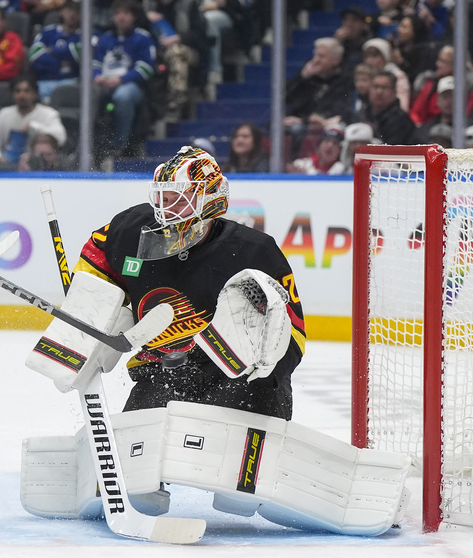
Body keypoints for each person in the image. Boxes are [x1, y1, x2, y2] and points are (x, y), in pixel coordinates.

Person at [73, 146, 305, 419]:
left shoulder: (253, 252)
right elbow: (91, 272)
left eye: (179, 200)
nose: (167, 211)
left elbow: (294, 336)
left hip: (239, 378)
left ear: (210, 200)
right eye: (162, 199)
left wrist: (266, 370)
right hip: (162, 373)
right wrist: (84, 321)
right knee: (135, 449)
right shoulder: (130, 230)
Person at [93, 0, 156, 158]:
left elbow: (146, 68)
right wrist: (97, 77)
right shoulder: (105, 38)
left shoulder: (142, 38)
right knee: (87, 93)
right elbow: (95, 63)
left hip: (131, 85)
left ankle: (119, 144)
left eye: (126, 13)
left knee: (123, 96)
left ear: (133, 16)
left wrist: (121, 80)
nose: (121, 17)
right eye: (118, 13)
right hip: (104, 83)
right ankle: (91, 143)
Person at [0, 73, 67, 164]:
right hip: (9, 164)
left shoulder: (49, 113)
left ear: (35, 93)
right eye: (17, 91)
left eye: (27, 91)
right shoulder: (4, 114)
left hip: (39, 165)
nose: (22, 95)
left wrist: (33, 126)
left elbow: (61, 138)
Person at [28, 0, 82, 100]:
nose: (72, 14)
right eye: (69, 10)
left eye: (77, 10)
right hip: (45, 82)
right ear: (62, 12)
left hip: (72, 81)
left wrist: (51, 50)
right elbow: (34, 55)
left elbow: (82, 55)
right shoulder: (48, 32)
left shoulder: (86, 34)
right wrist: (61, 62)